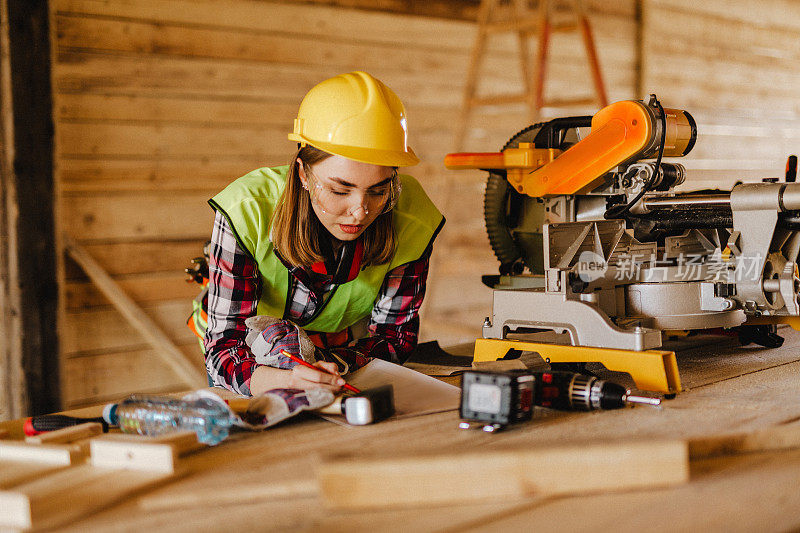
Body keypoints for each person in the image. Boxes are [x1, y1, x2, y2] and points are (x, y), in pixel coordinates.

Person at [189, 71, 444, 397]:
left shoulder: (412, 218)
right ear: (303, 173)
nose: (360, 211)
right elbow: (225, 346)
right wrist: (286, 379)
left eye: (378, 191)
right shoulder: (247, 210)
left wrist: (328, 368)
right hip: (248, 361)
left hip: (340, 359)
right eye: (340, 190)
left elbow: (394, 338)